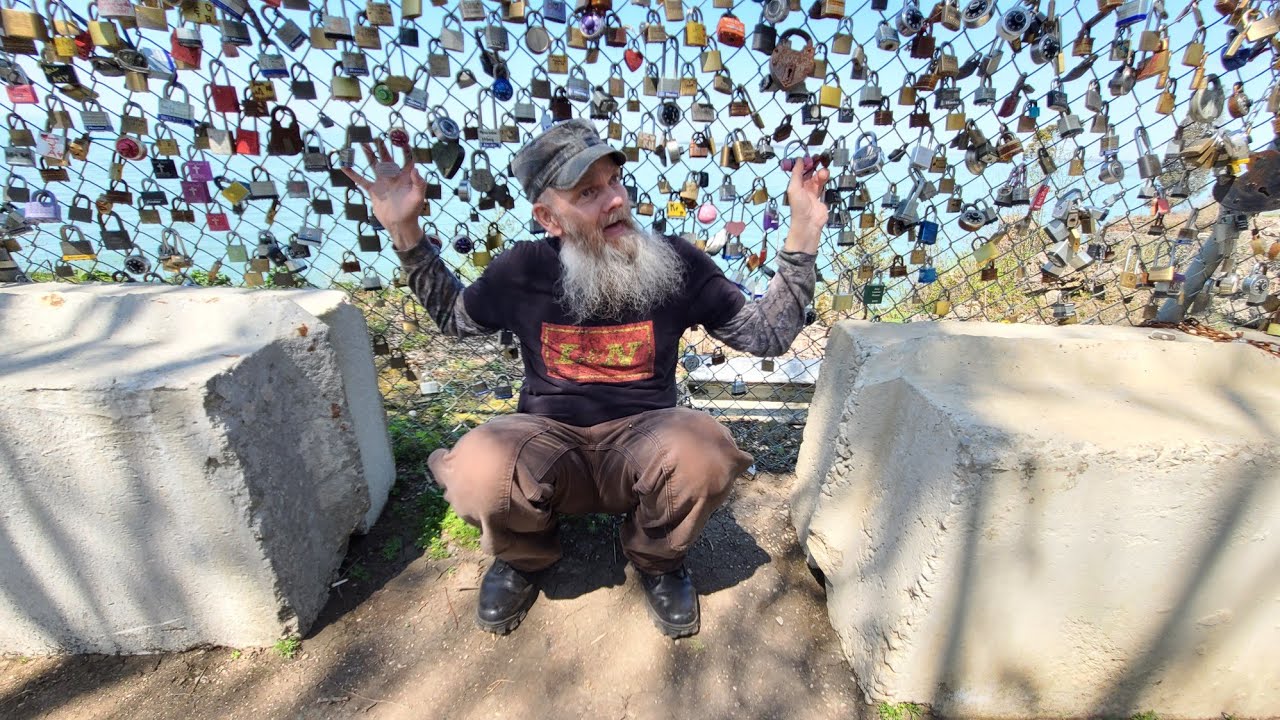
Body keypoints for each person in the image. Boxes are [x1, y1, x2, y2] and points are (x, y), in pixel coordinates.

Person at [343, 119, 828, 639]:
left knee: (704, 453)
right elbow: (455, 319)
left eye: (615, 182)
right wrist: (405, 230)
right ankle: (524, 554)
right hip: (548, 441)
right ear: (549, 217)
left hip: (647, 438)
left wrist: (803, 232)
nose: (615, 200)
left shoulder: (675, 263)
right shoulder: (522, 270)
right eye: (588, 192)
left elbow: (766, 336)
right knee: (478, 468)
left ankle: (658, 559)